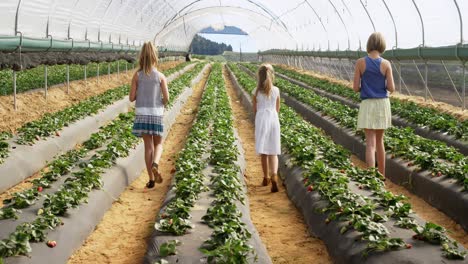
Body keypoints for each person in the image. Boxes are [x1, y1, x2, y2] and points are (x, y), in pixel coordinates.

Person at [353, 32, 395, 176]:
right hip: (382, 104)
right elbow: (391, 88)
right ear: (382, 45)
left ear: (369, 45)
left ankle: (371, 178)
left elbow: (355, 87)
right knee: (380, 141)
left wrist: (365, 87)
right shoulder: (386, 63)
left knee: (370, 144)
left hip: (367, 104)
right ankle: (382, 176)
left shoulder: (360, 62)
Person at [130, 42, 169, 188]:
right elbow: (167, 97)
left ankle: (151, 179)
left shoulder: (137, 75)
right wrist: (162, 102)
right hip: (156, 113)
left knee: (148, 147)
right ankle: (156, 163)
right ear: (155, 56)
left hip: (142, 113)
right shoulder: (160, 76)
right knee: (158, 143)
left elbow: (131, 97)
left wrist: (141, 92)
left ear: (141, 57)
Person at [253, 64, 281, 193]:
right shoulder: (276, 90)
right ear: (271, 75)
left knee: (263, 150)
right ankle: (274, 175)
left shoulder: (256, 91)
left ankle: (266, 177)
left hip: (261, 119)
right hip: (273, 119)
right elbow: (277, 108)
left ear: (259, 76)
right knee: (273, 151)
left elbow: (255, 109)